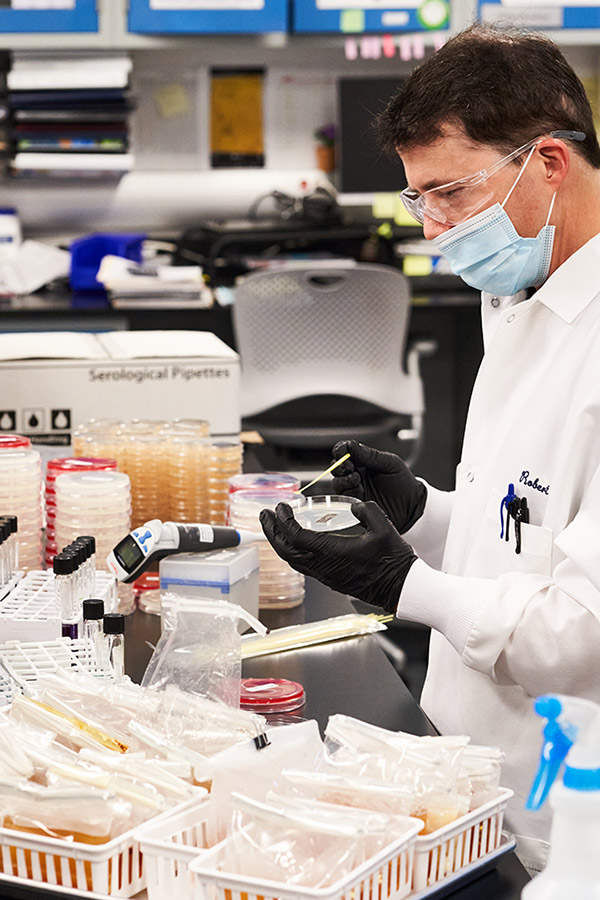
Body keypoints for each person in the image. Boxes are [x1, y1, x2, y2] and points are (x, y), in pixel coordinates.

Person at [260, 24, 600, 872]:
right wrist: (425, 516)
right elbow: (529, 536)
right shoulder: (526, 292)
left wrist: (402, 585)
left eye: (449, 193)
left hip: (564, 819)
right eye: (421, 201)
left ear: (548, 163)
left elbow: (577, 634)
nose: (434, 229)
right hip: (472, 780)